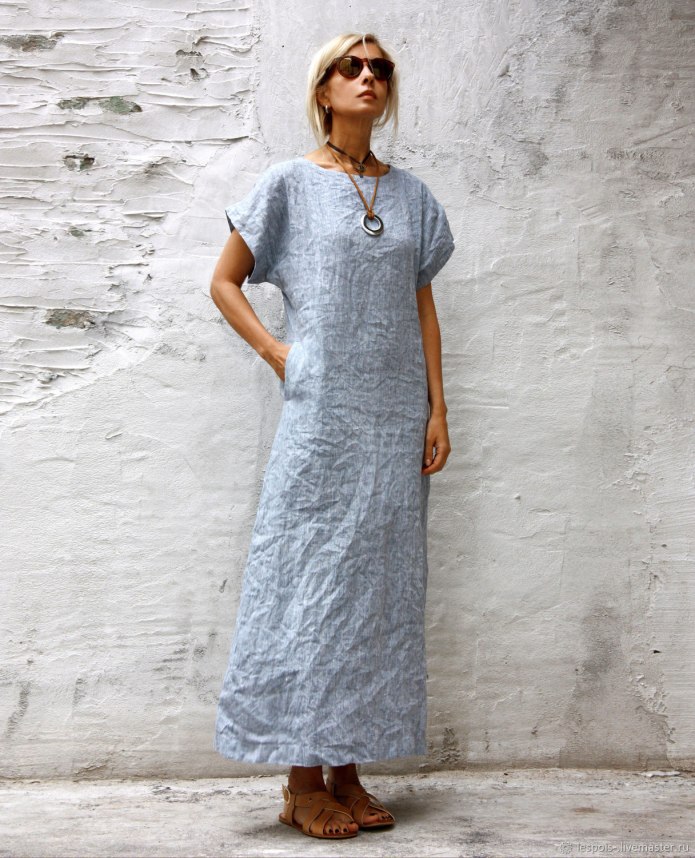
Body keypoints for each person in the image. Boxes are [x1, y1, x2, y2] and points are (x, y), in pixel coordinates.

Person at [209, 31, 455, 840]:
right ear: (323, 88)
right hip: (322, 419)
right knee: (307, 583)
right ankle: (298, 781)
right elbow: (224, 281)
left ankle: (346, 772)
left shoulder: (410, 196)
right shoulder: (287, 183)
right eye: (351, 66)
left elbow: (421, 303)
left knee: (373, 594)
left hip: (393, 419)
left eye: (379, 68)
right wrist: (278, 352)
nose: (367, 77)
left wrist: (437, 408)